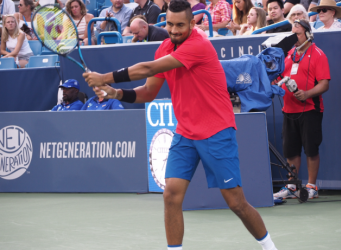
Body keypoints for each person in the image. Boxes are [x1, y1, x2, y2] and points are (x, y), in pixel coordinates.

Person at [83, 1, 278, 249]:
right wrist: (116, 93)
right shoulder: (164, 47)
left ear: (192, 23)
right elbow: (148, 92)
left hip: (216, 131)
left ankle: (269, 246)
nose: (174, 30)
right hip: (185, 133)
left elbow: (148, 68)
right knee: (171, 195)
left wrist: (105, 77)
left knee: (236, 202)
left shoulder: (198, 45)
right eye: (170, 24)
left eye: (180, 25)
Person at [273, 19, 330, 200]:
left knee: (311, 149)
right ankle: (292, 186)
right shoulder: (288, 55)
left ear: (308, 34)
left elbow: (324, 84)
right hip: (289, 110)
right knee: (291, 150)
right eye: (292, 34)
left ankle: (311, 186)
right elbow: (278, 77)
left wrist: (307, 94)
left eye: (297, 33)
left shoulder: (319, 54)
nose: (293, 37)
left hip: (311, 109)